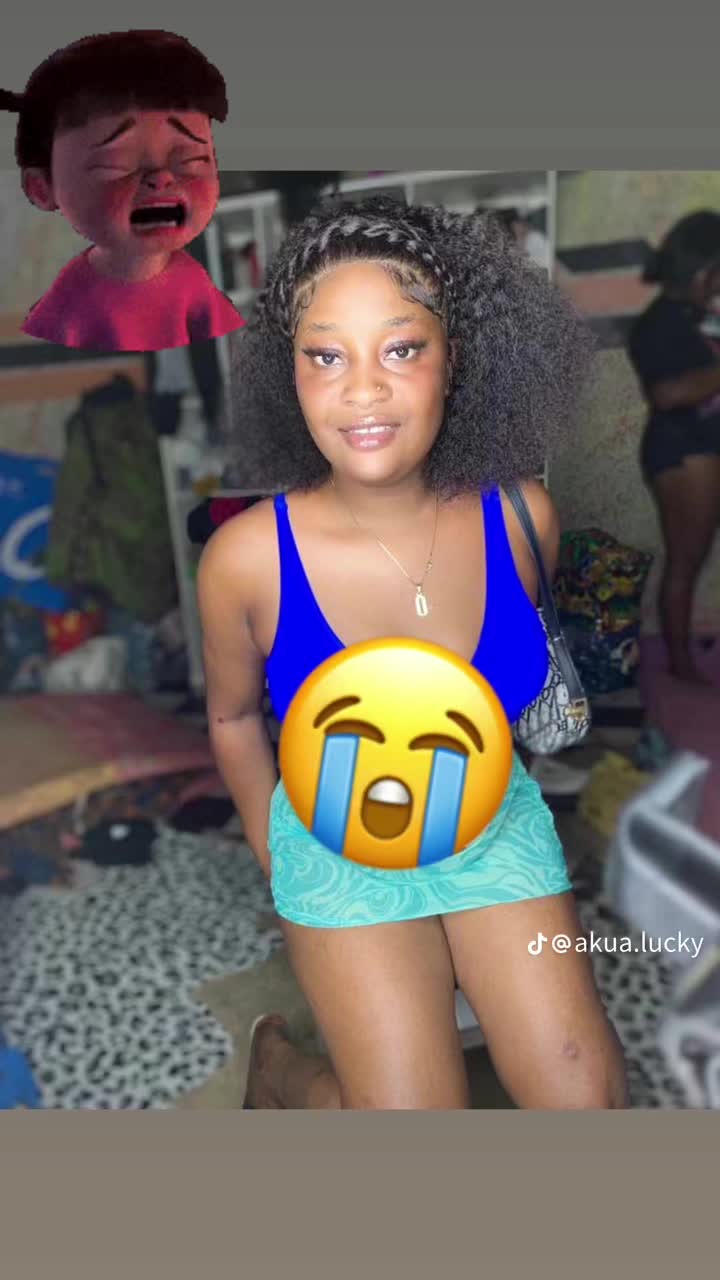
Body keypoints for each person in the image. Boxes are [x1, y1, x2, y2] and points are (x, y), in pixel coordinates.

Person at [197, 196, 628, 1110]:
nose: (362, 391)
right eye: (326, 356)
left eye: (400, 349)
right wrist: (283, 858)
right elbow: (232, 719)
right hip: (335, 839)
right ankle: (282, 1069)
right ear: (290, 372)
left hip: (491, 821)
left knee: (588, 1102)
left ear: (454, 356)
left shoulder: (524, 518)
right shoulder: (246, 560)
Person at [0, 31, 244, 353]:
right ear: (42, 188)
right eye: (117, 164)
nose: (161, 179)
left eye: (190, 160)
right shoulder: (69, 305)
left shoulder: (193, 279)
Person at [627, 210, 720, 685]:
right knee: (686, 559)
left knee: (692, 558)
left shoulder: (693, 317)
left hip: (698, 446)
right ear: (704, 272)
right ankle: (681, 668)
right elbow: (667, 394)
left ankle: (685, 661)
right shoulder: (659, 322)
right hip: (683, 451)